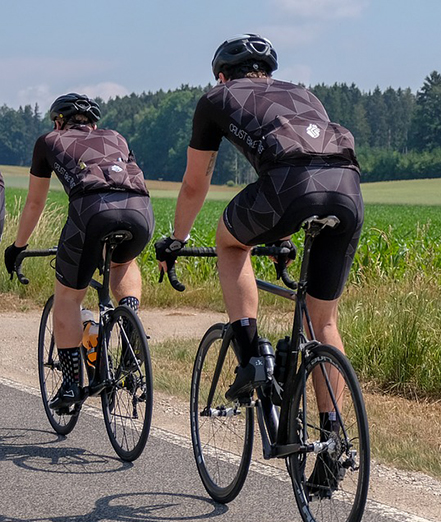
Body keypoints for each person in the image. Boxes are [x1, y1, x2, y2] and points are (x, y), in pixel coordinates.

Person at [154, 34, 363, 482]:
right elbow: (312, 158)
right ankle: (331, 443)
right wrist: (284, 234)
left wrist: (177, 238)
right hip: (347, 191)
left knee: (231, 243)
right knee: (322, 322)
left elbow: (195, 184)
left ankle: (252, 356)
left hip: (288, 190)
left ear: (222, 74)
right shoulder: (304, 94)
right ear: (267, 72)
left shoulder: (217, 96)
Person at [5, 93, 154, 410]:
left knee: (68, 298)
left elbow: (34, 203)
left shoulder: (49, 140)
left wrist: (18, 246)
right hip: (141, 213)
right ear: (94, 123)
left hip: (92, 213)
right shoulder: (116, 137)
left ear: (59, 122)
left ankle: (73, 385)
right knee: (123, 261)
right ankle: (129, 322)